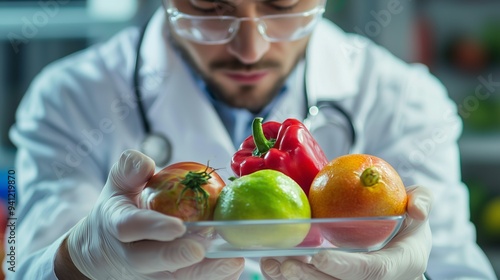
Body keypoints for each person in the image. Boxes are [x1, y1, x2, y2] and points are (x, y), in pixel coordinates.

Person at [4, 0, 497, 279]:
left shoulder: (402, 96)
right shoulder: (68, 96)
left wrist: (419, 274)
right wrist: (77, 259)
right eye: (208, 8)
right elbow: (20, 265)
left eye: (283, 7)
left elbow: (461, 270)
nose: (249, 49)